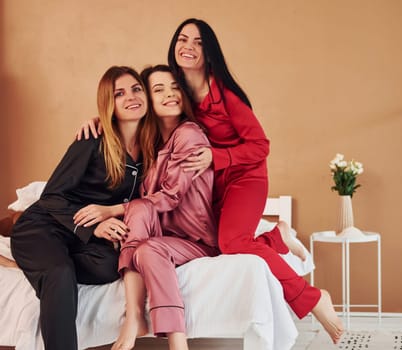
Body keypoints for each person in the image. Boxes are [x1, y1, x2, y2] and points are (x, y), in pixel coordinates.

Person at [167, 18, 344, 344]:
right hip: (213, 186)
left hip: (246, 177)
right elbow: (142, 102)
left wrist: (216, 158)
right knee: (217, 248)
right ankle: (278, 237)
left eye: (198, 42)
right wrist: (99, 119)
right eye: (183, 39)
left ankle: (311, 297)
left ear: (209, 53)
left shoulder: (225, 94)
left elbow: (260, 146)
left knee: (232, 243)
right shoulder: (174, 90)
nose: (188, 47)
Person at [10, 66, 156, 350]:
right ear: (109, 104)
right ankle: (44, 266)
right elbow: (51, 196)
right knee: (60, 273)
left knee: (112, 266)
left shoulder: (154, 147)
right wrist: (95, 226)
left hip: (81, 238)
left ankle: (33, 264)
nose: (131, 97)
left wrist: (111, 215)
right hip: (45, 225)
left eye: (136, 89)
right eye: (119, 94)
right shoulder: (91, 141)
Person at [90, 65, 217, 350]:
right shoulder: (152, 142)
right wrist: (100, 120)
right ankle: (137, 316)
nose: (170, 94)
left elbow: (171, 196)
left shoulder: (190, 134)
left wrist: (112, 210)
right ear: (147, 98)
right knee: (147, 245)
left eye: (174, 87)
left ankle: (174, 342)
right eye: (158, 89)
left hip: (197, 240)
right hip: (161, 240)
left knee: (138, 209)